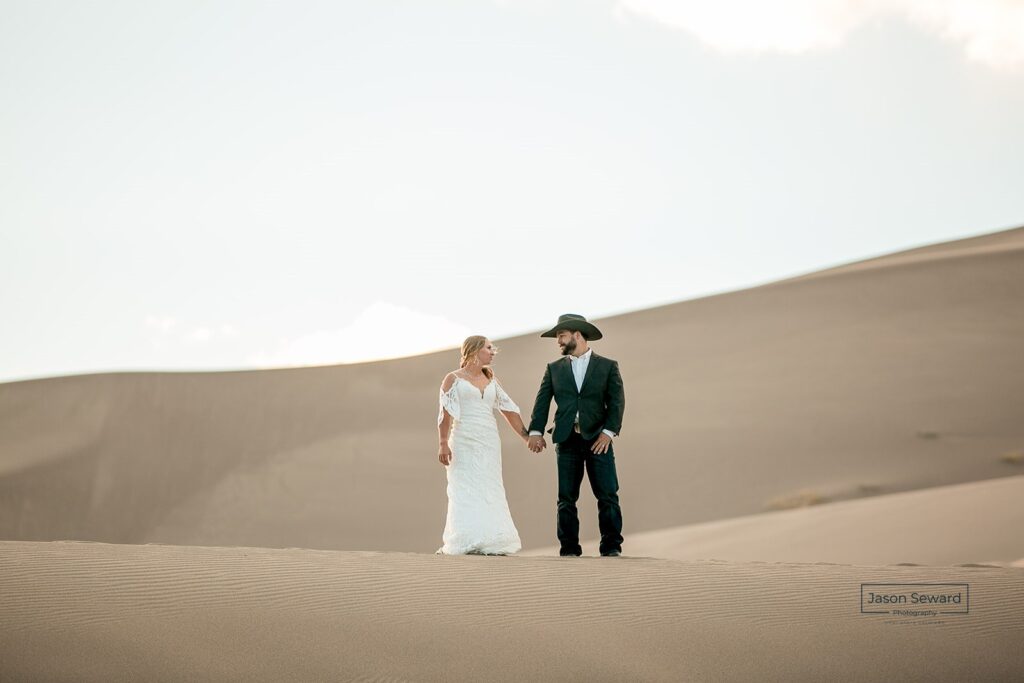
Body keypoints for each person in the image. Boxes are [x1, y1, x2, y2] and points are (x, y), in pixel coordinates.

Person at [527, 314, 625, 557]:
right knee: (566, 499)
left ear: (577, 335)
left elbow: (617, 403)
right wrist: (536, 432)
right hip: (567, 439)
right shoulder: (553, 369)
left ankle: (611, 547)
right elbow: (542, 403)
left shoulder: (607, 366)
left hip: (598, 441)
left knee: (608, 495)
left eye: (561, 335)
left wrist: (608, 433)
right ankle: (569, 549)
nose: (558, 341)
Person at [436, 336, 530, 555]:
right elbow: (445, 414)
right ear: (475, 350)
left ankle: (492, 540)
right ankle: (467, 540)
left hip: (488, 442)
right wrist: (442, 443)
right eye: (489, 348)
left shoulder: (491, 381)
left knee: (490, 487)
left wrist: (527, 437)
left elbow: (509, 410)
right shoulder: (453, 379)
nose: (493, 352)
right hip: (463, 441)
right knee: (465, 488)